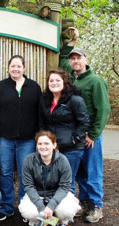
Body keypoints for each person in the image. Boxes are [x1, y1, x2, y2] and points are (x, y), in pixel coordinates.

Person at [59, 28, 111, 223]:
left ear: (86, 60)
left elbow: (103, 111)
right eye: (73, 59)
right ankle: (84, 203)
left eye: (78, 58)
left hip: (90, 136)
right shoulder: (72, 79)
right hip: (74, 135)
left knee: (93, 170)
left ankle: (96, 205)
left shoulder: (95, 81)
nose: (75, 61)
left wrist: (93, 134)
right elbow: (62, 56)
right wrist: (73, 40)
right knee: (79, 171)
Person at [0, 55, 42, 221]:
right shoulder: (0, 87)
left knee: (26, 173)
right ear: (8, 68)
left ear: (24, 68)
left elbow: (40, 113)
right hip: (5, 139)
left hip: (28, 139)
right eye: (13, 66)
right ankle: (7, 207)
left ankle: (25, 207)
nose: (16, 69)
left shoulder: (34, 87)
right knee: (5, 172)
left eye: (19, 66)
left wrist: (39, 137)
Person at [39, 69, 90, 194]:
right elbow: (41, 122)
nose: (54, 83)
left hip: (71, 149)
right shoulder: (45, 100)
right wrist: (44, 142)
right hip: (51, 149)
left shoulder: (75, 100)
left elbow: (84, 122)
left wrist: (74, 139)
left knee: (67, 182)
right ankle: (52, 210)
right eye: (51, 80)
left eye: (57, 80)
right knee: (51, 181)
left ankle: (67, 212)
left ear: (64, 82)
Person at [19, 130, 81, 226]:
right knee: (29, 213)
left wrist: (51, 206)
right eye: (40, 144)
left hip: (57, 195)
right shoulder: (29, 160)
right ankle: (39, 221)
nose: (43, 147)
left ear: (54, 145)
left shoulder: (63, 160)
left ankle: (60, 221)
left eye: (46, 143)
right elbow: (29, 186)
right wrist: (40, 207)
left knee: (66, 211)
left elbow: (64, 187)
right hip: (37, 195)